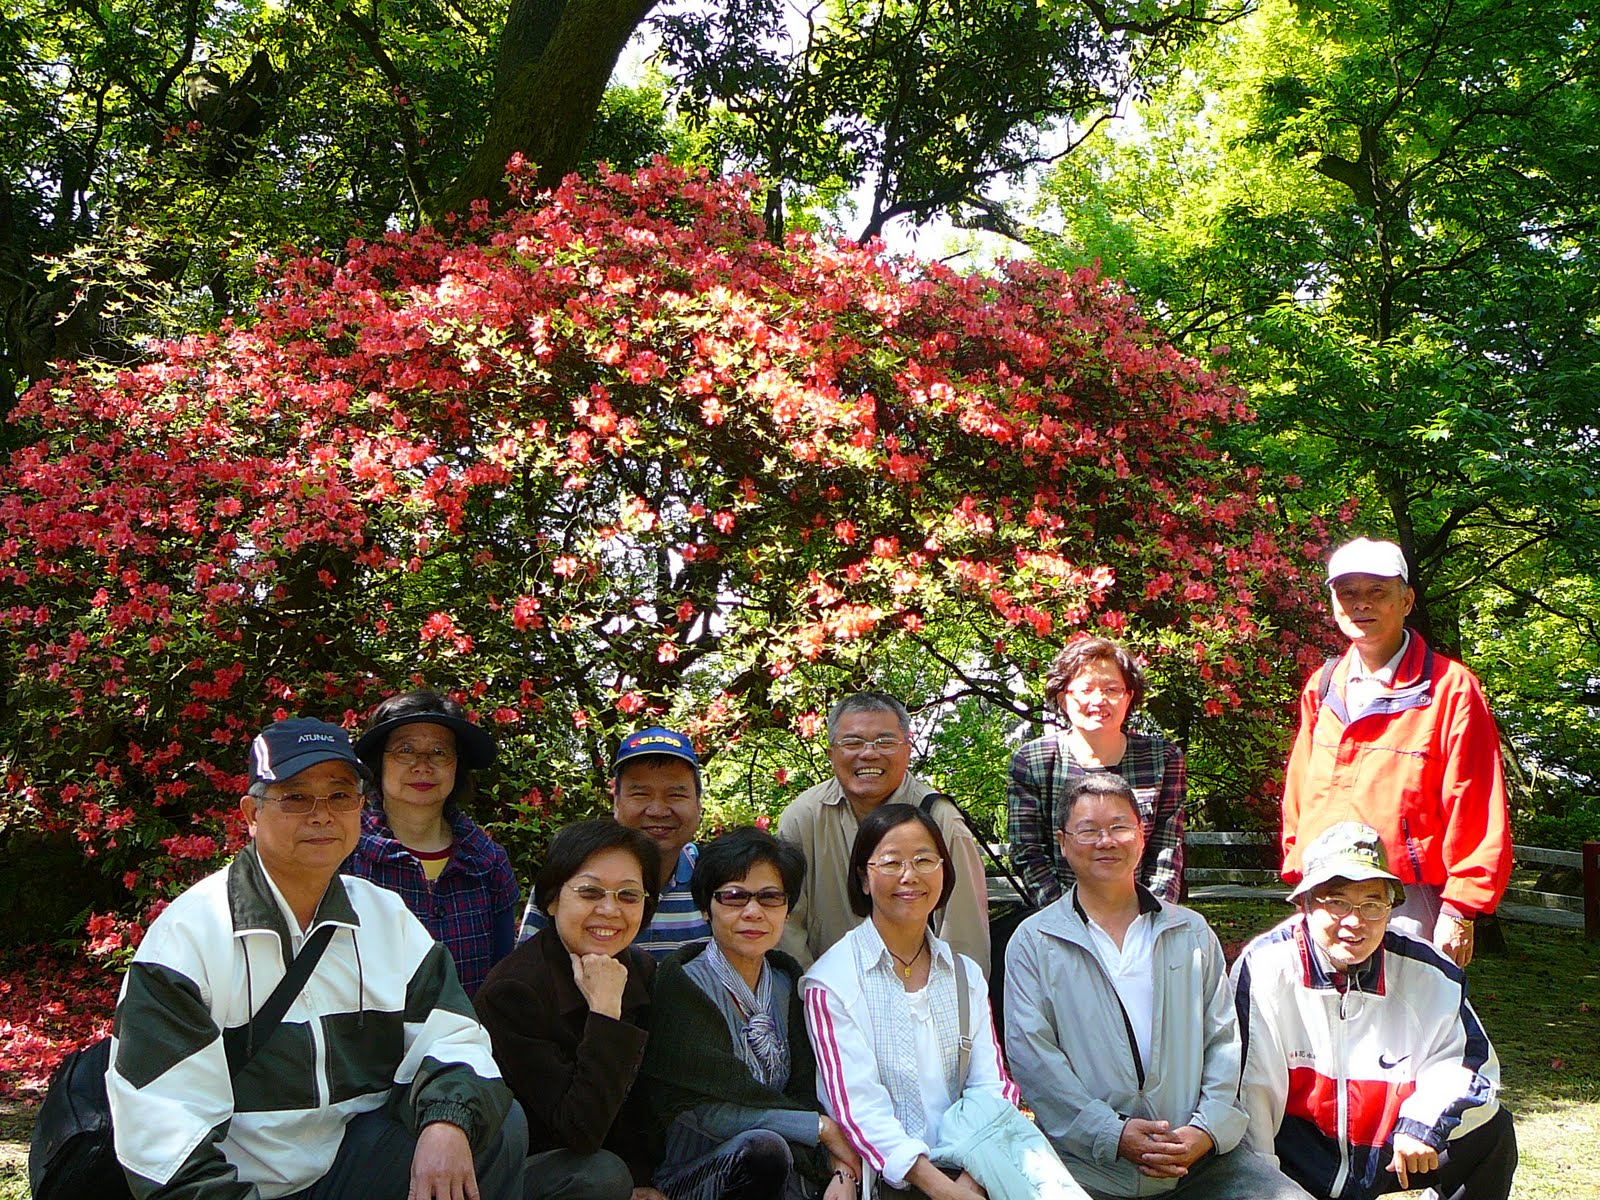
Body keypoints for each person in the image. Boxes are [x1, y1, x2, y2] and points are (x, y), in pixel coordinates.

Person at [106, 717, 525, 1200]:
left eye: (340, 795)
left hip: (347, 1160)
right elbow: (164, 1137)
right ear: (252, 814)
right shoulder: (190, 936)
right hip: (242, 1180)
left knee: (490, 1127)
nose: (322, 815)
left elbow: (455, 1037)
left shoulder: (384, 916)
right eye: (296, 797)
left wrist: (447, 1123)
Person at [1004, 774, 1307, 1200]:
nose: (1106, 841)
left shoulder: (1190, 932)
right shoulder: (1035, 942)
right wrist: (1112, 1134)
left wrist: (1206, 1130)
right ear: (1063, 843)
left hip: (1199, 1163)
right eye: (1088, 830)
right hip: (1086, 1168)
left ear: (1141, 835)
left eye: (1119, 827)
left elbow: (1223, 1040)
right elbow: (1034, 1060)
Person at [1234, 822, 1517, 1200]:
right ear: (1306, 903)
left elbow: (1469, 1066)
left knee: (1492, 1132)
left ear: (1390, 907)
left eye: (1371, 904)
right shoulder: (1266, 966)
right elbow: (1248, 1091)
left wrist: (1422, 1125)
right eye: (1337, 902)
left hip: (1387, 1144)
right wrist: (1265, 1188)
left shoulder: (1429, 971)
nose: (1355, 922)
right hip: (1295, 1154)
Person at [1280, 537, 1512, 967]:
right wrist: (1299, 868)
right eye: (1347, 592)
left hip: (1406, 899)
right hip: (1323, 891)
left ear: (1406, 600)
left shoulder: (1450, 689)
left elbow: (1476, 800)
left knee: (1409, 1010)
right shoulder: (1323, 685)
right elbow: (1299, 790)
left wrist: (1461, 907)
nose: (1360, 604)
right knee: (1319, 1008)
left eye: (1377, 591)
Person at [802, 804, 1037, 1200]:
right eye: (891, 862)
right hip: (891, 1183)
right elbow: (859, 1110)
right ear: (863, 878)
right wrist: (943, 1191)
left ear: (944, 871)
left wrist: (970, 1181)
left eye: (924, 860)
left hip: (975, 1171)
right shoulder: (832, 983)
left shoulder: (964, 974)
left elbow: (992, 1087)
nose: (909, 875)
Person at [640, 827, 862, 1200]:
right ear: (706, 908)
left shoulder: (787, 983)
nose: (753, 912)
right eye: (733, 896)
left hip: (789, 1163)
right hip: (698, 1172)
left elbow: (806, 1090)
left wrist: (841, 1167)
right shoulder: (682, 985)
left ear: (787, 910)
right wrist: (818, 1129)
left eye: (770, 897)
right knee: (764, 1150)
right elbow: (701, 1113)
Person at [476, 818, 666, 1200]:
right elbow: (577, 1131)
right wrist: (605, 1013)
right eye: (590, 892)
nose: (610, 909)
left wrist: (644, 1180)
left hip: (617, 1170)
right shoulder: (513, 992)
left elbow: (644, 1104)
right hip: (525, 1173)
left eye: (628, 895)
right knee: (602, 1176)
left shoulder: (641, 970)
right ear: (551, 899)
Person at [777, 693, 990, 976]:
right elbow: (787, 925)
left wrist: (954, 994)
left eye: (885, 742)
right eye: (853, 743)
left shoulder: (940, 819)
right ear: (831, 754)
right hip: (826, 991)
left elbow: (964, 935)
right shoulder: (803, 817)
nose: (868, 754)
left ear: (908, 751)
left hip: (922, 994)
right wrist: (812, 992)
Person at [346, 689, 520, 995]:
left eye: (439, 752)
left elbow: (502, 981)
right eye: (406, 750)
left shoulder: (487, 862)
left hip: (469, 1026)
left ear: (457, 766)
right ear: (379, 763)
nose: (423, 766)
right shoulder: (345, 853)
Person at [1007, 637, 1185, 908]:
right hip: (1059, 916)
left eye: (1112, 689)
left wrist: (1152, 916)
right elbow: (1028, 854)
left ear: (1129, 697)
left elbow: (1167, 850)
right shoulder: (1033, 761)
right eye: (1086, 689)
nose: (1099, 700)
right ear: (1063, 699)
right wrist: (1069, 918)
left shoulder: (1163, 759)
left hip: (1142, 913)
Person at [520, 727, 711, 957]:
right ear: (616, 803)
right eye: (640, 794)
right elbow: (528, 968)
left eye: (676, 795)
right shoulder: (572, 876)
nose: (657, 810)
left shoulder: (716, 881)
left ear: (698, 804)